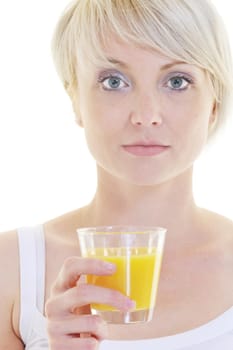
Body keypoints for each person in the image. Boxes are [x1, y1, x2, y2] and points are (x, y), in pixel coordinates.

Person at [1, 0, 233, 349]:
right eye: (113, 81)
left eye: (177, 81)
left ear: (213, 104)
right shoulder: (12, 269)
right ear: (76, 99)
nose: (146, 115)